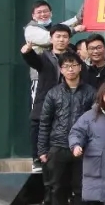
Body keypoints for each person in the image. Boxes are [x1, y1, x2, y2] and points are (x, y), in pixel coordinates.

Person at [36, 53, 96, 205]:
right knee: (58, 187)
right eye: (66, 66)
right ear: (61, 70)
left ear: (80, 67)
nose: (70, 69)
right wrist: (42, 150)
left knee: (81, 187)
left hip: (83, 148)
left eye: (74, 65)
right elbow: (45, 122)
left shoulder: (91, 92)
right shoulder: (53, 93)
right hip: (58, 146)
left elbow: (95, 121)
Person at [22, 22, 73, 174]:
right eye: (58, 36)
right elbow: (34, 61)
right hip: (45, 99)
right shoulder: (44, 57)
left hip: (68, 100)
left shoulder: (74, 58)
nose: (61, 40)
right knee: (38, 125)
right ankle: (37, 159)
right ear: (51, 39)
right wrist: (27, 52)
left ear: (69, 40)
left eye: (65, 37)